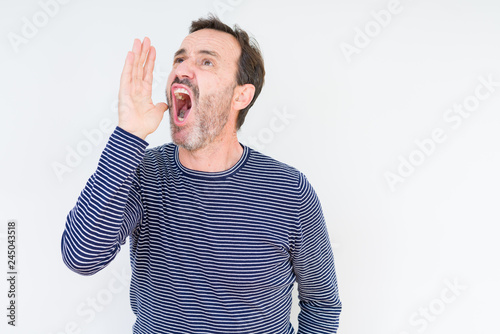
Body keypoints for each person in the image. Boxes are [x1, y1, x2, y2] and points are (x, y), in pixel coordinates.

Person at [61, 15, 341, 334]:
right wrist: (129, 134)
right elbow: (81, 255)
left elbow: (321, 303)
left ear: (241, 96)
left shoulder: (290, 191)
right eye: (179, 59)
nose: (182, 68)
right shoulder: (142, 173)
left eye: (206, 61)